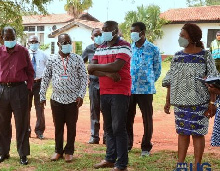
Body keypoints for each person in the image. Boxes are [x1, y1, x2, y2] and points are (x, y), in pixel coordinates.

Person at [163, 23, 217, 170]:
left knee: (198, 134)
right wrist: (168, 100)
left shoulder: (205, 55)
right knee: (182, 133)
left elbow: (213, 81)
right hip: (180, 102)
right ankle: (180, 165)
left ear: (192, 37)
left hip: (200, 102)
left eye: (182, 35)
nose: (180, 38)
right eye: (180, 35)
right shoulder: (177, 56)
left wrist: (212, 103)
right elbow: (170, 79)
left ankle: (197, 166)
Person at [88, 20, 132, 171]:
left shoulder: (125, 46)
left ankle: (122, 164)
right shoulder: (100, 48)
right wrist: (107, 73)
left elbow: (117, 66)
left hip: (120, 91)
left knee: (118, 127)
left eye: (107, 29)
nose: (104, 32)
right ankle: (110, 158)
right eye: (103, 29)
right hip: (104, 91)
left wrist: (95, 67)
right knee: (108, 127)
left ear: (115, 30)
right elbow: (90, 69)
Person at [40, 33, 87, 163]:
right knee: (58, 126)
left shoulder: (77, 59)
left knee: (71, 126)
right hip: (56, 99)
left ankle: (69, 151)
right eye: (64, 42)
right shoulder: (52, 59)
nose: (67, 45)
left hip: (73, 100)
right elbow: (45, 78)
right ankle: (58, 150)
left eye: (69, 42)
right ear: (58, 44)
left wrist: (81, 95)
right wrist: (42, 95)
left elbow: (84, 77)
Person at [0, 26, 34, 165]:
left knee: (22, 123)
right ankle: (3, 152)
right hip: (2, 90)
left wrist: (28, 88)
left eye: (12, 38)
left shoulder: (23, 51)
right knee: (2, 123)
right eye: (7, 38)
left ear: (16, 37)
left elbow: (30, 72)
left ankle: (23, 154)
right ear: (2, 37)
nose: (10, 40)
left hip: (19, 90)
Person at [127, 22, 162, 156]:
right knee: (128, 118)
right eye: (131, 31)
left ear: (142, 32)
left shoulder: (153, 49)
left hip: (146, 90)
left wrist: (149, 81)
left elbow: (157, 69)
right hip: (130, 89)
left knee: (147, 118)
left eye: (134, 31)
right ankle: (128, 144)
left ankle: (146, 147)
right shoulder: (130, 48)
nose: (132, 34)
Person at [82, 28, 106, 144]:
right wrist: (85, 77)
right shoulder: (89, 49)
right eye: (96, 35)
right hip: (93, 84)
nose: (99, 36)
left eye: (100, 34)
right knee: (94, 110)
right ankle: (94, 136)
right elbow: (81, 64)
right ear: (92, 37)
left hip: (107, 84)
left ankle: (107, 136)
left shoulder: (108, 47)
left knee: (107, 110)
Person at [27, 35, 48, 140]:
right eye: (32, 42)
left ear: (39, 43)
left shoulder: (43, 55)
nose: (34, 44)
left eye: (36, 42)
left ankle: (39, 131)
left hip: (39, 83)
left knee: (39, 108)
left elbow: (48, 69)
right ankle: (27, 130)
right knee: (26, 109)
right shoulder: (25, 55)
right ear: (28, 43)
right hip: (27, 84)